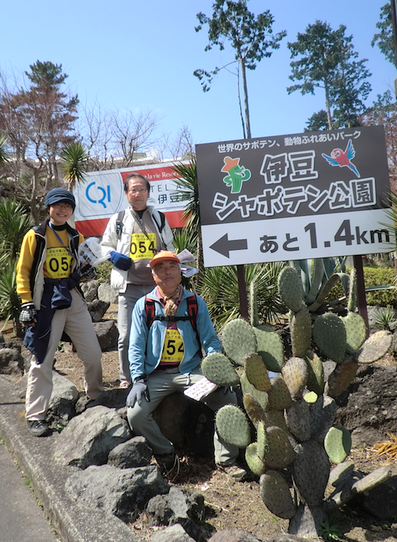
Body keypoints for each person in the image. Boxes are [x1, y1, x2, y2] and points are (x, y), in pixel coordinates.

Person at [126, 250, 245, 479]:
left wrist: (215, 371)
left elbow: (210, 339)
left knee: (227, 401)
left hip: (191, 371)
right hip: (156, 375)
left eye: (172, 266)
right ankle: (166, 453)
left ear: (181, 272)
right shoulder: (145, 306)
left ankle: (226, 460)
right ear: (153, 275)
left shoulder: (194, 303)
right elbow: (136, 346)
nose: (167, 271)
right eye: (160, 267)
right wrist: (138, 380)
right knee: (136, 415)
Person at [16, 188, 103, 437]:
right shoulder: (36, 235)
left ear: (72, 210)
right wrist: (26, 302)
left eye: (68, 206)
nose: (63, 209)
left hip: (71, 297)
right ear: (48, 208)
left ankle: (95, 397)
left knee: (94, 354)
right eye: (58, 205)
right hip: (46, 300)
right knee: (43, 357)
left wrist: (87, 271)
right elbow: (23, 271)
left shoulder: (76, 236)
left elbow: (84, 263)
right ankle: (35, 415)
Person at [101, 173, 174, 389]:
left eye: (142, 189)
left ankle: (155, 372)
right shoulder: (119, 219)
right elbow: (104, 246)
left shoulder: (159, 218)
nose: (138, 193)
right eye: (133, 189)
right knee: (126, 335)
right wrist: (113, 256)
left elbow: (170, 247)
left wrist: (166, 259)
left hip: (156, 288)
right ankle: (127, 378)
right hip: (129, 288)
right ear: (126, 194)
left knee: (158, 331)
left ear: (148, 193)